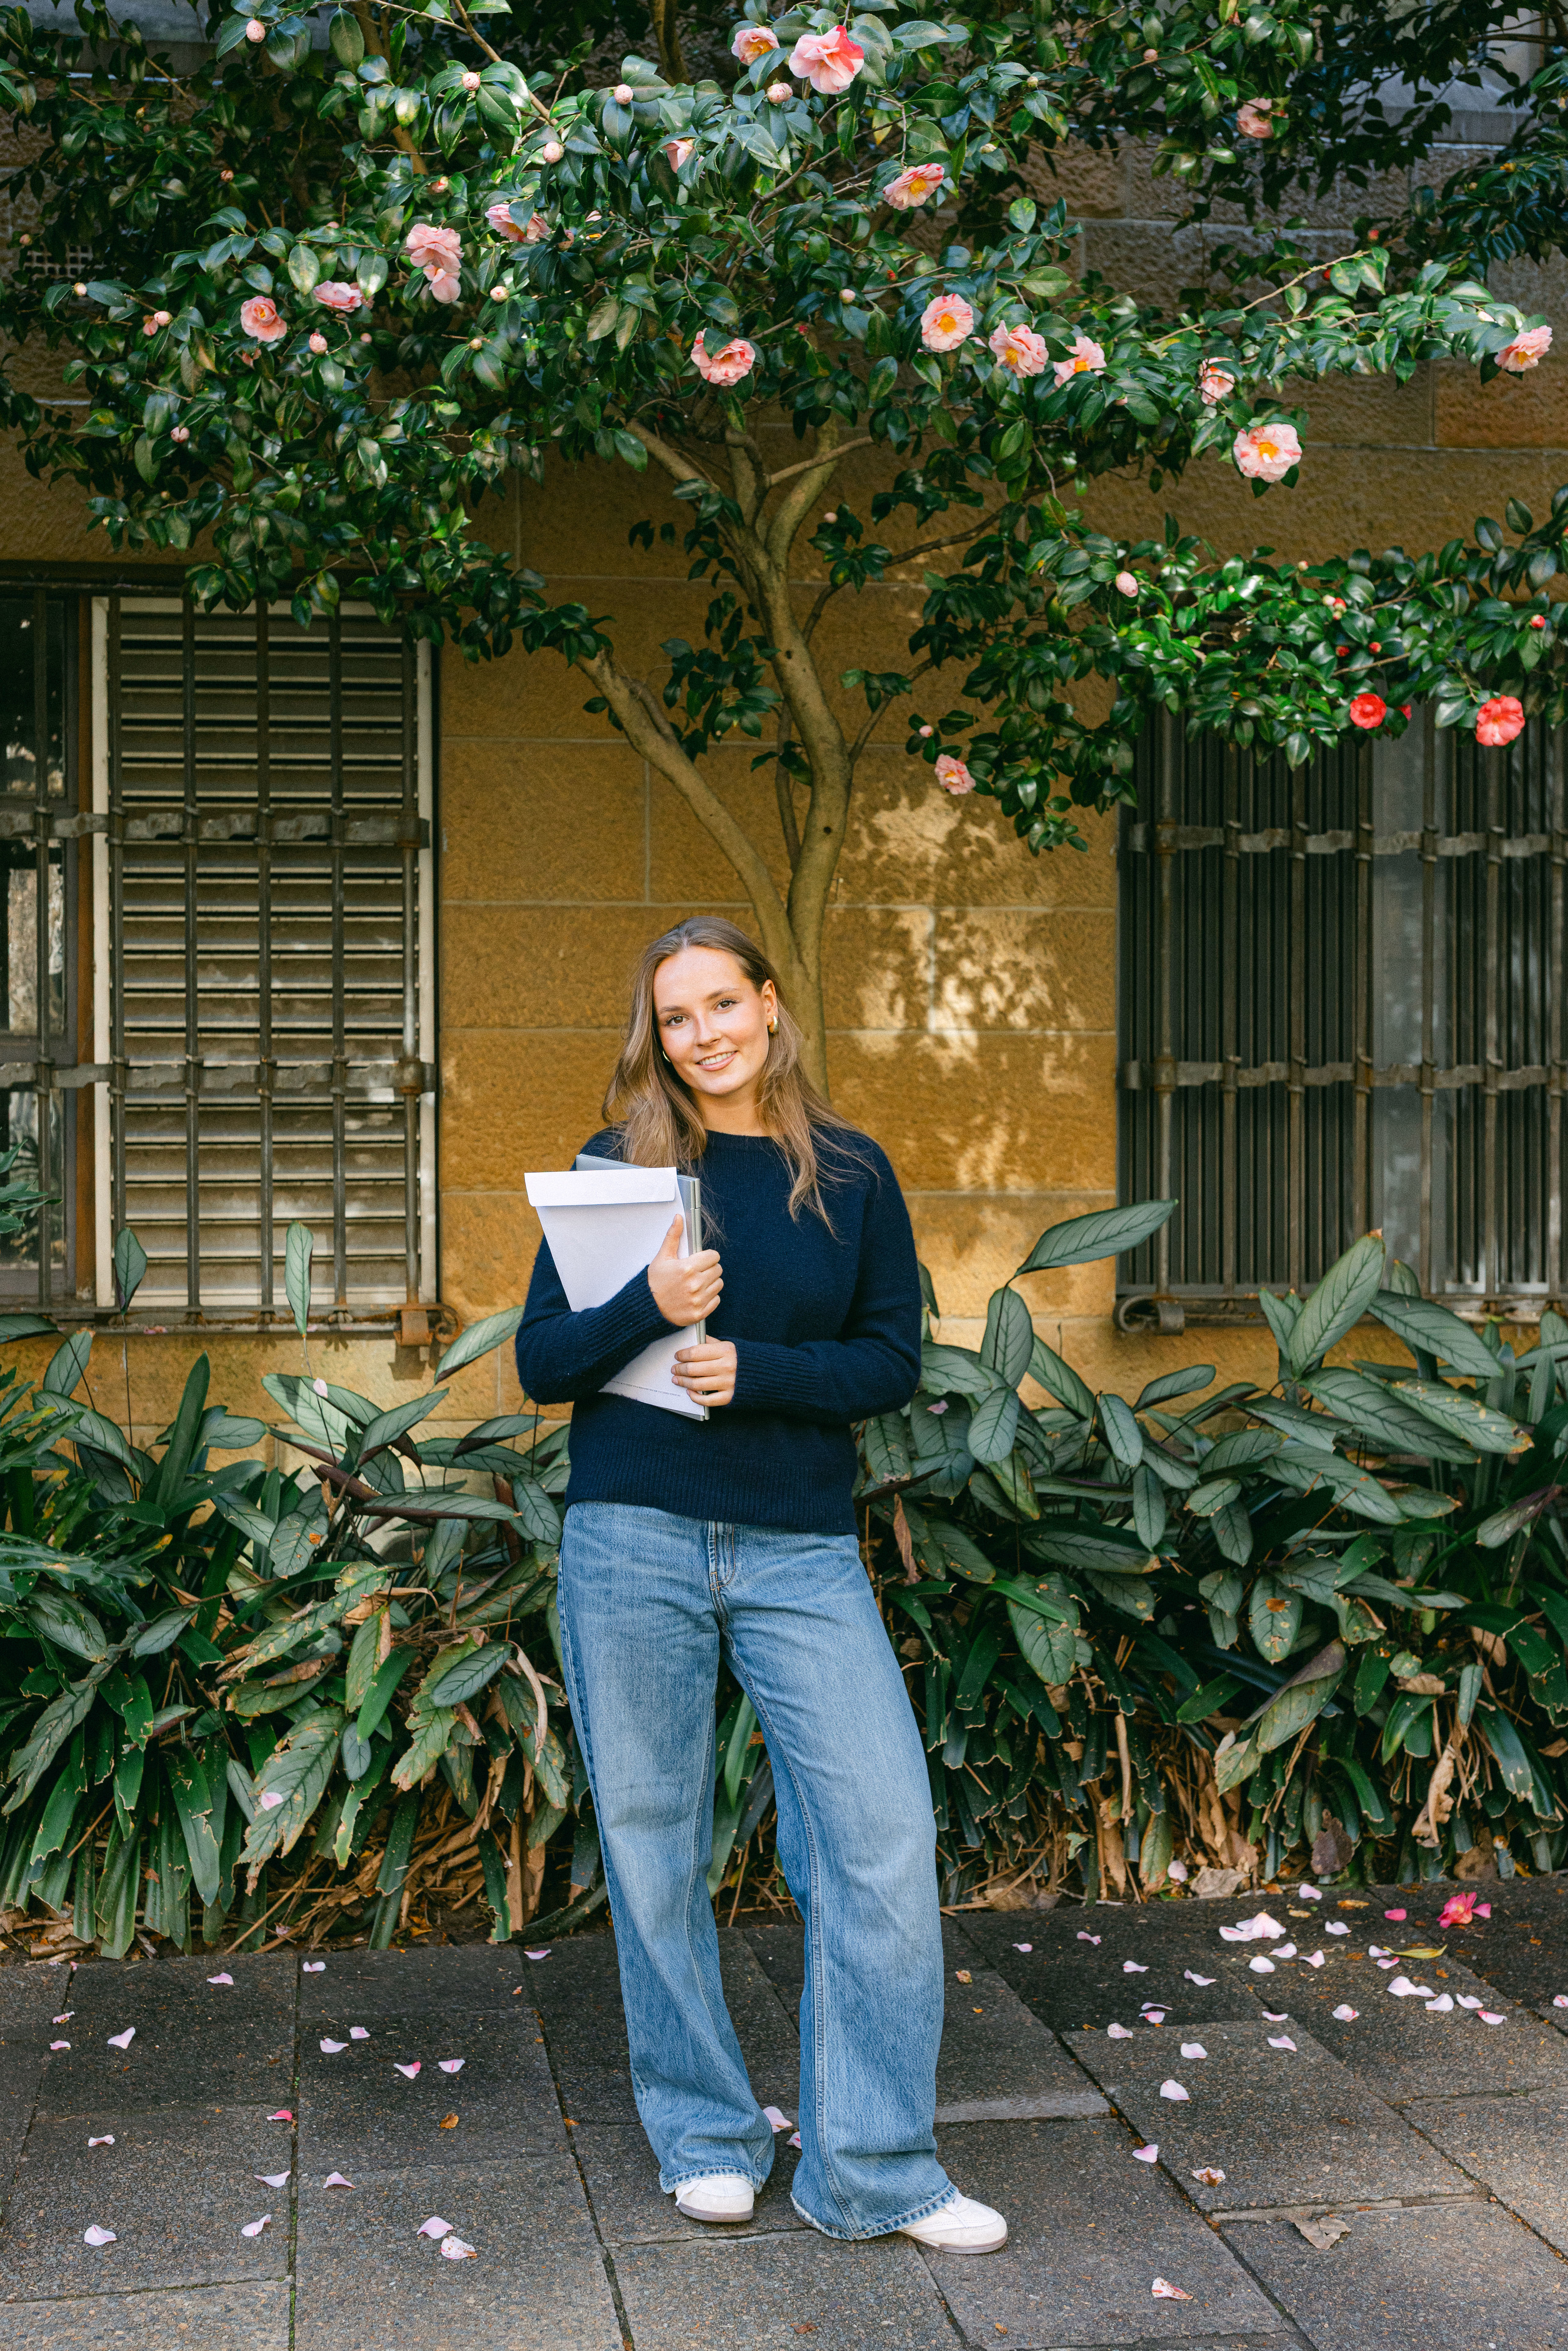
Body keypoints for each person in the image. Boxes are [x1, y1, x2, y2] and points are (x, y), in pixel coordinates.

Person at [515, 916, 1007, 2254]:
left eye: (722, 1005)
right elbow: (543, 1364)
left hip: (798, 1547)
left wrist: (759, 1372)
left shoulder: (848, 1172)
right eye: (676, 1018)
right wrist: (650, 1303)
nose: (704, 1035)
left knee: (878, 1840)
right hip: (633, 1537)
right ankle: (705, 2137)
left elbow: (890, 1361)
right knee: (653, 1843)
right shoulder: (618, 1170)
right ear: (657, 1036)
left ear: (770, 1004)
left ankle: (874, 2171)